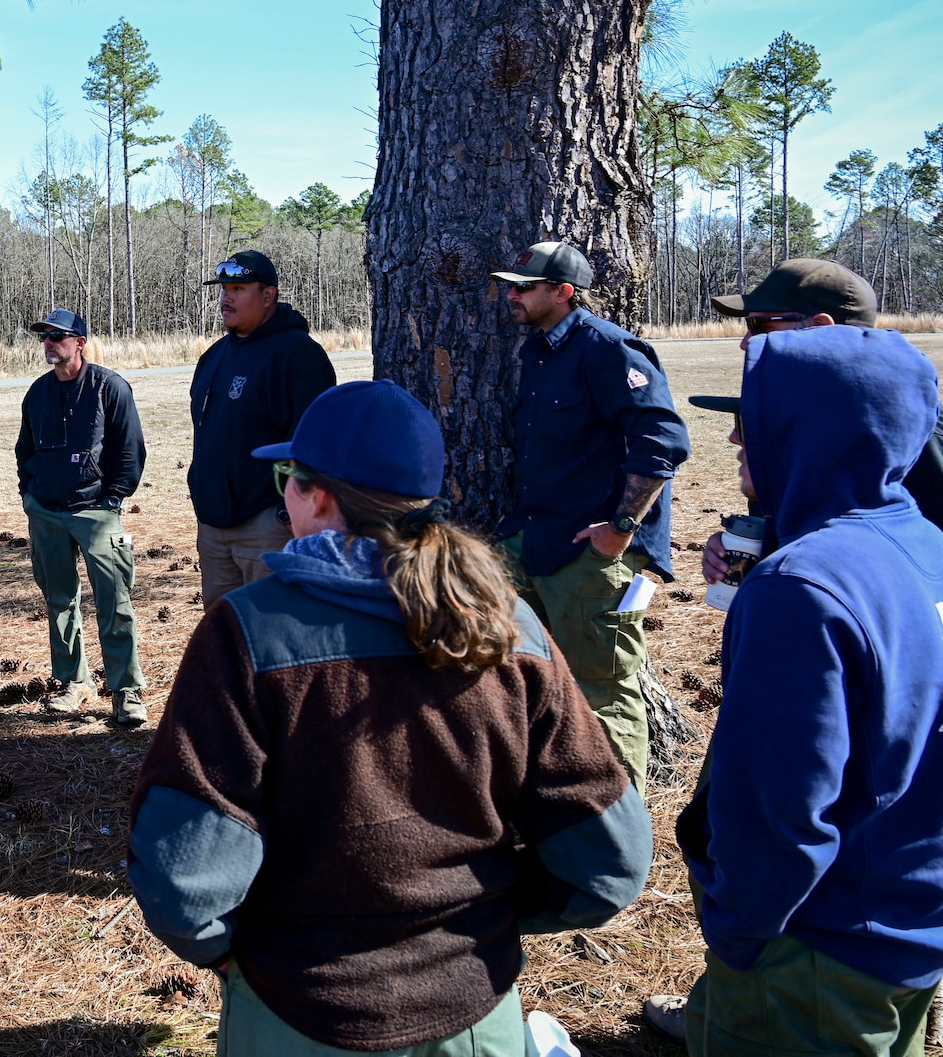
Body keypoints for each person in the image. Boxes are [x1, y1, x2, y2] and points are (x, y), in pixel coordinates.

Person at [129, 379, 651, 1055]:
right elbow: (611, 858)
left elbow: (183, 875)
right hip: (474, 1013)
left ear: (317, 496)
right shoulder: (510, 627)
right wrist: (486, 915)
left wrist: (230, 950)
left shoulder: (248, 634)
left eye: (287, 475)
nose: (281, 492)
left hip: (296, 1014)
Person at [642, 326, 943, 1054]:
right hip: (908, 927)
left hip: (813, 951)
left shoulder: (800, 588)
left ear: (814, 429)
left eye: (757, 417)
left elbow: (779, 811)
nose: (739, 437)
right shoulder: (926, 543)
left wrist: (738, 933)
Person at [489, 241, 689, 792]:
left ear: (564, 292)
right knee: (522, 684)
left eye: (524, 287)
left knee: (603, 692)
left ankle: (618, 833)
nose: (512, 295)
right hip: (531, 542)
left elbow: (663, 442)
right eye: (511, 285)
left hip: (586, 556)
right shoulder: (537, 353)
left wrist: (620, 530)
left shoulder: (608, 350)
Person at [691, 258, 943, 587]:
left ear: (821, 328)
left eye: (760, 326)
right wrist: (753, 548)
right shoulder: (796, 424)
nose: (745, 341)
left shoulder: (918, 438)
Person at [15, 308, 148, 728]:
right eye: (45, 337)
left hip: (96, 512)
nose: (49, 343)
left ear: (80, 342)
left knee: (114, 600)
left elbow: (130, 450)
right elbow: (25, 451)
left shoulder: (109, 387)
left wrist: (112, 499)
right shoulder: (37, 393)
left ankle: (126, 690)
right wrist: (30, 496)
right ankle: (74, 681)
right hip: (47, 513)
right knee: (59, 601)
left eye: (58, 336)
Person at [186, 250, 337, 612]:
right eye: (224, 289)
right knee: (224, 639)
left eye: (238, 288)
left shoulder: (298, 354)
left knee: (273, 631)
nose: (226, 297)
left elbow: (316, 445)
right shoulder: (216, 355)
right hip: (213, 528)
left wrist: (287, 515)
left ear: (268, 295)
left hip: (266, 528)